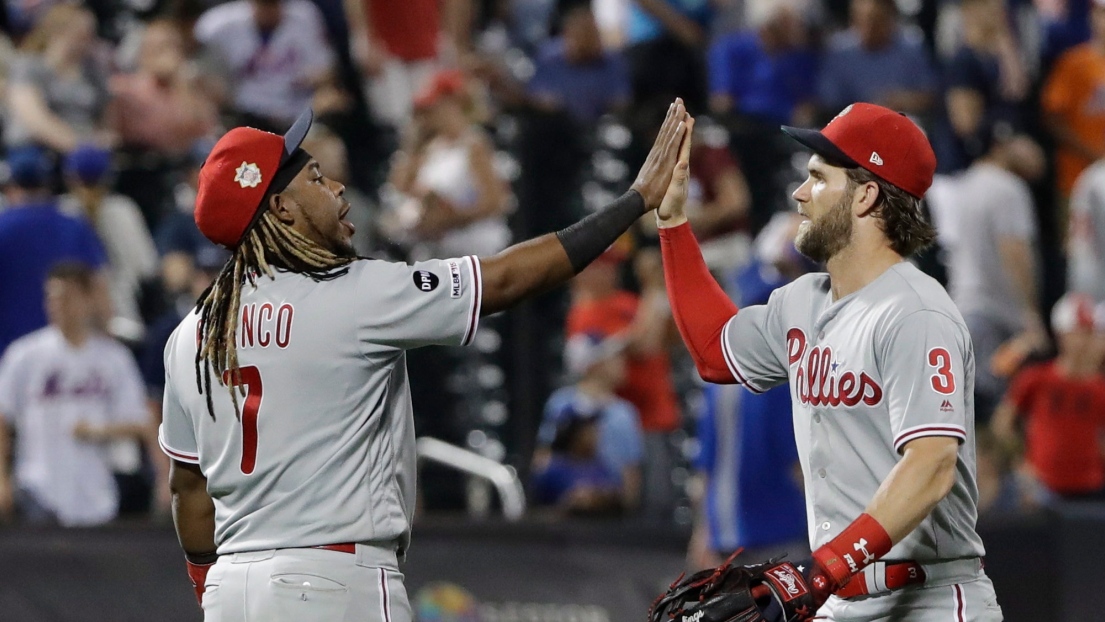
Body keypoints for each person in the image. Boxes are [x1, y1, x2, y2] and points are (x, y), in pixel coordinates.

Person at [160, 101, 689, 619]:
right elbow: (503, 279)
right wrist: (635, 200)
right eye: (316, 179)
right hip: (334, 582)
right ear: (281, 209)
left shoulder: (190, 336)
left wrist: (218, 589)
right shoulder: (356, 294)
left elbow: (189, 492)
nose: (338, 188)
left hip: (232, 588)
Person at [656, 103, 1002, 619]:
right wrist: (674, 223)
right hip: (839, 598)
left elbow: (931, 466)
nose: (799, 193)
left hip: (928, 600)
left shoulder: (916, 312)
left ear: (865, 195)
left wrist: (824, 570)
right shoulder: (802, 302)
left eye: (818, 178)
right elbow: (714, 351)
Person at [0, 262, 150, 526]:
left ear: (86, 299)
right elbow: (3, 418)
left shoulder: (113, 358)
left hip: (97, 491)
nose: (56, 305)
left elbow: (141, 423)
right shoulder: (24, 354)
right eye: (51, 297)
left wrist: (98, 430)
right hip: (36, 488)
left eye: (66, 297)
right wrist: (2, 479)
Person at [928, 128, 1047, 423]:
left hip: (962, 308)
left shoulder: (963, 186)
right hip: (996, 316)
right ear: (1001, 145)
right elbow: (1014, 250)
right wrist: (1031, 313)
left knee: (969, 411)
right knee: (996, 415)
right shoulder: (1007, 187)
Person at [990, 293, 1105, 501]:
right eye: (1079, 332)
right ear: (1062, 335)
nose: (1085, 340)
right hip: (1043, 488)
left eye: (1089, 333)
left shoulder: (1099, 388)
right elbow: (1002, 423)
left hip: (1091, 487)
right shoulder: (1035, 379)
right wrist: (1020, 463)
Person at [0, 146, 109, 357]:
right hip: (67, 355)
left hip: (6, 357)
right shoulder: (74, 226)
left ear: (10, 186)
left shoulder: (2, 227)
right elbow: (99, 291)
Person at [537, 331, 644, 511]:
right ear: (595, 364)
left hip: (610, 509)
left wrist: (627, 509)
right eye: (614, 358)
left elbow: (630, 471)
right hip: (563, 505)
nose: (622, 363)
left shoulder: (624, 412)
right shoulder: (560, 403)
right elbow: (544, 458)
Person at [817, 0, 938, 118]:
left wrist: (903, 100)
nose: (869, 29)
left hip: (903, 121)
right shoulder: (839, 51)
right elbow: (829, 102)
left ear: (890, 19)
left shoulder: (911, 47)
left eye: (875, 22)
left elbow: (930, 96)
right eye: (861, 21)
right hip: (854, 124)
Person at [1042, 0, 1105, 208]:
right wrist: (1095, 154)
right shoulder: (1074, 63)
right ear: (1093, 17)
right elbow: (1053, 118)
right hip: (1078, 181)